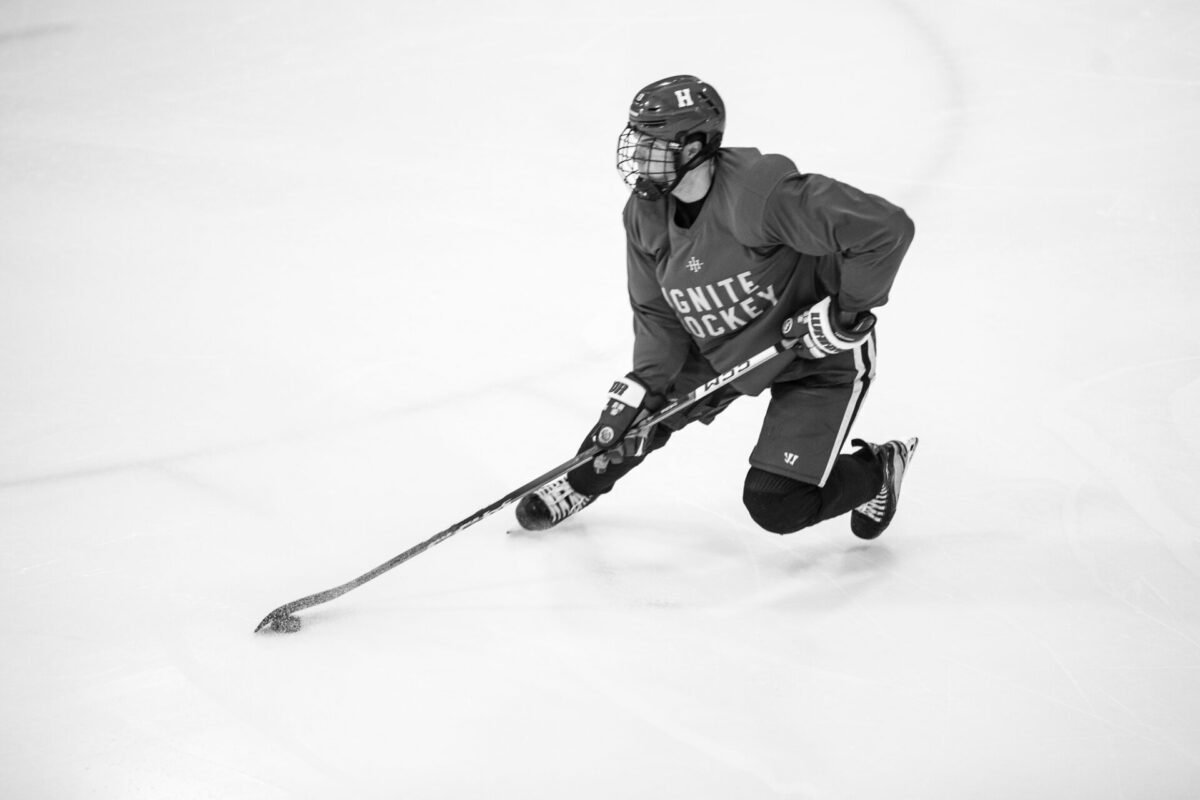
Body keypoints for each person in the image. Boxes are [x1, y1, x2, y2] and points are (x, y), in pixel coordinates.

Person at [515, 75, 918, 539]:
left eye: (652, 143)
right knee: (633, 416)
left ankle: (877, 469)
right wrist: (645, 386)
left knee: (777, 506)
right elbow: (657, 313)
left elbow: (885, 229)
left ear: (692, 148)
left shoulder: (760, 194)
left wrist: (845, 314)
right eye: (637, 140)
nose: (638, 155)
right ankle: (582, 480)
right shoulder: (645, 215)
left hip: (815, 353)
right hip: (725, 348)